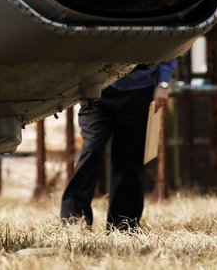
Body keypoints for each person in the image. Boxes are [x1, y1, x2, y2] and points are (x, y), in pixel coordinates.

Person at [60, 60, 175, 230]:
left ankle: (123, 225)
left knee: (130, 157)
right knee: (92, 147)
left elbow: (168, 43)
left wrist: (163, 83)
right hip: (98, 87)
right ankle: (74, 219)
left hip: (139, 89)